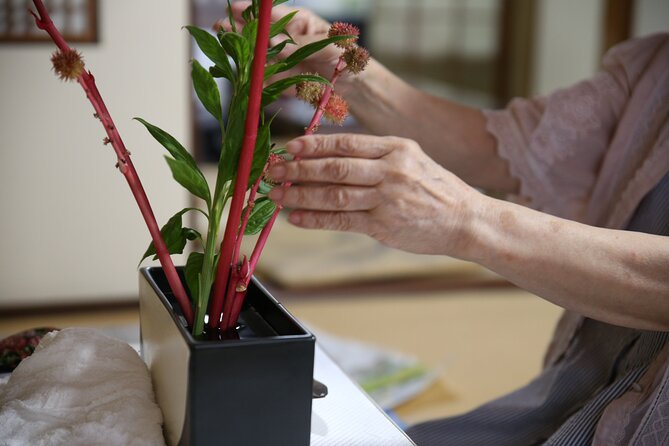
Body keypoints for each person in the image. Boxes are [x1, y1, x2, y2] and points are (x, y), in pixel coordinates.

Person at [226, 3, 669, 444]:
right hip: (552, 410)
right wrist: (339, 63)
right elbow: (497, 145)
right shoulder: (654, 69)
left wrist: (464, 219)